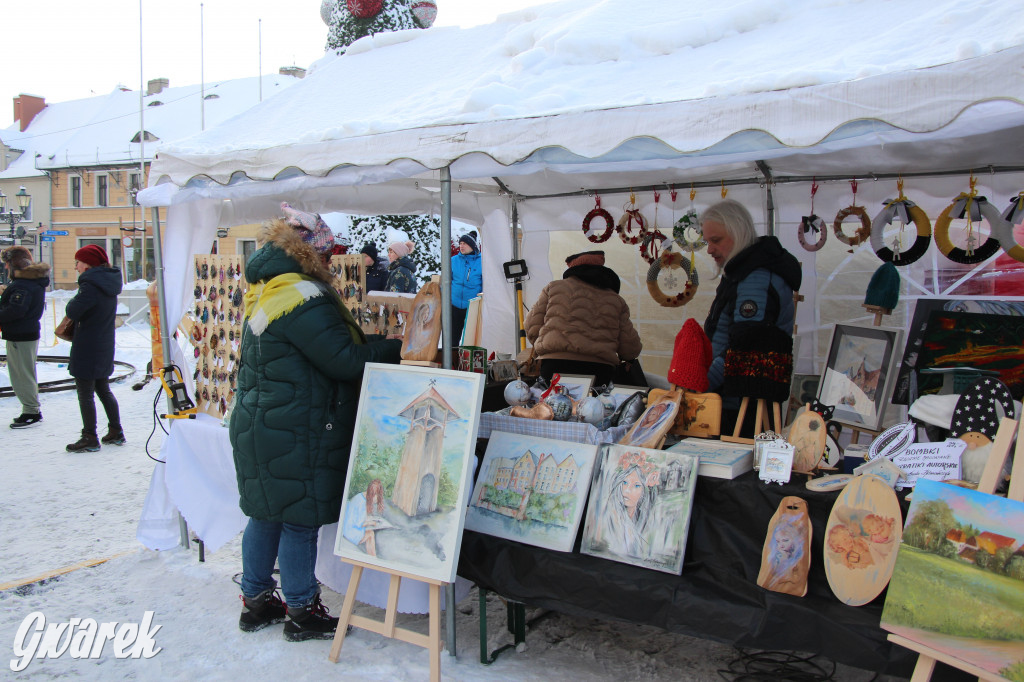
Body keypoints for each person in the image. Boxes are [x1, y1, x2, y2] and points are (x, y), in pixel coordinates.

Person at [231, 203, 402, 641]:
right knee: (297, 520)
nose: (331, 261)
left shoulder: (270, 288)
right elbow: (343, 361)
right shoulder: (303, 296)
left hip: (264, 421)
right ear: (308, 254)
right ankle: (302, 611)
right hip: (295, 425)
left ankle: (256, 602)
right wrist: (393, 347)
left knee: (265, 515)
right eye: (326, 255)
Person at [700, 200, 802, 432]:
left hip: (741, 403)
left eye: (716, 240)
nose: (709, 249)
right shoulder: (743, 273)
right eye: (707, 241)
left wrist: (702, 382)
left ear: (738, 233)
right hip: (734, 396)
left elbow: (743, 347)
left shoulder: (755, 278)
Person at [524, 250, 642, 387]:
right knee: (592, 407)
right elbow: (630, 348)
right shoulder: (616, 300)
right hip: (599, 369)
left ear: (572, 269)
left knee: (553, 406)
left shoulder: (554, 287)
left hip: (555, 363)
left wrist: (546, 343)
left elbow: (532, 326)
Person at [64, 245, 124, 452]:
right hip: (104, 343)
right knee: (103, 388)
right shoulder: (108, 282)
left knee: (85, 392)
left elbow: (73, 310)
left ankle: (89, 436)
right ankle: (116, 430)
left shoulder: (90, 285)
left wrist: (74, 299)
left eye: (78, 262)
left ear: (88, 264)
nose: (76, 266)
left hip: (88, 345)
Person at [0, 246, 50, 428]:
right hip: (25, 333)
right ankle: (30, 409)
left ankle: (31, 412)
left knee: (22, 374)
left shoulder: (23, 285)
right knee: (23, 373)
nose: (5, 268)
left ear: (15, 264)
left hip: (21, 335)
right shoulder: (31, 282)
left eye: (7, 264)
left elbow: (16, 309)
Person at [594, 451, 660, 559]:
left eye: (637, 485)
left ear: (645, 491)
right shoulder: (608, 519)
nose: (627, 491)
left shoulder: (647, 523)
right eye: (624, 483)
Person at [341, 479, 387, 557]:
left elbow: (357, 516)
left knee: (370, 531)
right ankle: (372, 557)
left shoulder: (360, 497)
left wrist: (369, 519)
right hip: (349, 532)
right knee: (371, 533)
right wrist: (371, 522)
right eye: (377, 497)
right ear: (374, 494)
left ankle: (372, 557)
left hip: (346, 527)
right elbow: (359, 523)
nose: (376, 501)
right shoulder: (362, 503)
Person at [451, 231, 482, 343]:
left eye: (465, 243)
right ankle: (451, 359)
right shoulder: (453, 260)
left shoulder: (482, 262)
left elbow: (485, 284)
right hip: (454, 304)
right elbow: (446, 281)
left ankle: (467, 360)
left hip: (472, 305)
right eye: (461, 243)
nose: (461, 246)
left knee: (470, 339)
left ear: (472, 246)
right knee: (452, 338)